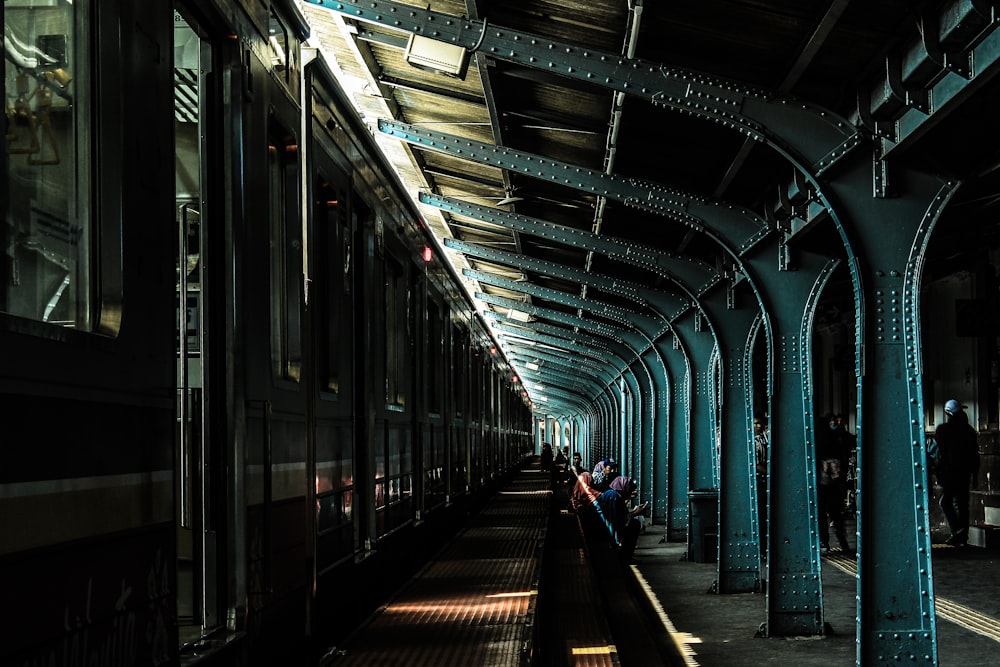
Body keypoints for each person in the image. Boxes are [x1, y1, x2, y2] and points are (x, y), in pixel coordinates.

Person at [934, 399, 980, 546]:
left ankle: (957, 531)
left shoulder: (942, 430)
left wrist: (937, 470)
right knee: (962, 504)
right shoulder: (969, 431)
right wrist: (975, 475)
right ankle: (962, 536)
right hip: (964, 473)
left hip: (950, 473)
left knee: (945, 502)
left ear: (948, 413)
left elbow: (938, 453)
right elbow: (974, 455)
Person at [815, 416, 852, 554]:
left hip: (822, 485)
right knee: (836, 516)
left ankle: (825, 542)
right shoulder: (836, 442)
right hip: (833, 487)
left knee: (822, 516)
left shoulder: (817, 445)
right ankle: (843, 543)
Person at [596, 475, 647, 561]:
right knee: (634, 525)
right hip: (602, 528)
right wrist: (635, 513)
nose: (630, 492)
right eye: (629, 490)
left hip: (602, 525)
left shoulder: (614, 495)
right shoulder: (614, 497)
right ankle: (625, 557)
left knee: (634, 523)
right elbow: (616, 520)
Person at [753, 416, 769, 555]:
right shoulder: (753, 442)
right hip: (759, 480)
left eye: (760, 423)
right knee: (761, 514)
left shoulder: (765, 439)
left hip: (765, 479)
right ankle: (762, 546)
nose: (758, 426)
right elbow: (756, 465)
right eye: (755, 423)